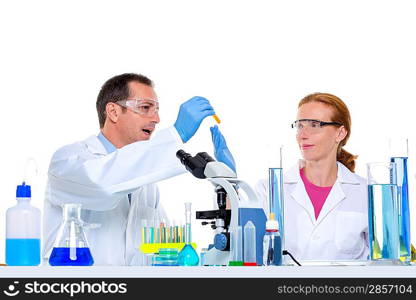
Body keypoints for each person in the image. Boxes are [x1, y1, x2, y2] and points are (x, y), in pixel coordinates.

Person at [43, 73, 216, 265]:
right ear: (113, 112)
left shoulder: (146, 184)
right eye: (145, 107)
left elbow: (167, 250)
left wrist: (225, 184)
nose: (157, 119)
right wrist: (176, 134)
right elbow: (103, 184)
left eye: (157, 110)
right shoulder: (69, 160)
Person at [255, 93, 369, 261]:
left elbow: (385, 261)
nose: (302, 135)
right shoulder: (269, 190)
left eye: (315, 125)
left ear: (340, 133)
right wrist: (227, 180)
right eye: (300, 126)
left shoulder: (366, 192)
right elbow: (243, 240)